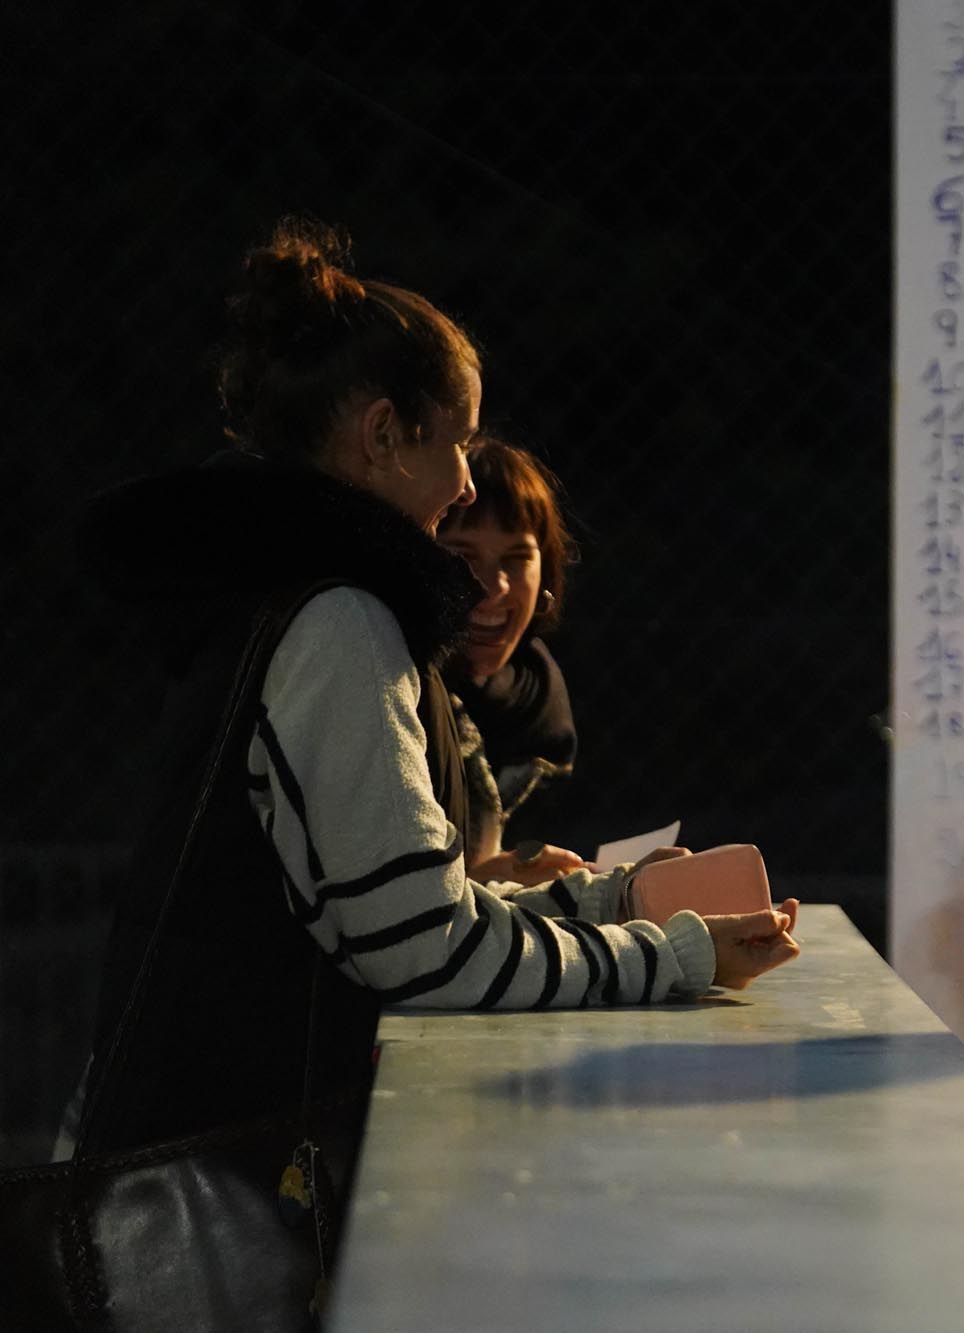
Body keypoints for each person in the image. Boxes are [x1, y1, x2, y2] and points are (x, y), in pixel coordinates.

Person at [43, 219, 800, 1326]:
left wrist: (592, 903)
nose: (461, 482)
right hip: (214, 1206)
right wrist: (665, 952)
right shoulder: (339, 618)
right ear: (380, 432)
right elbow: (420, 952)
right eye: (455, 442)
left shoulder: (287, 592)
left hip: (188, 1170)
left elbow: (383, 906)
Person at [437, 436, 588, 885]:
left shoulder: (538, 696)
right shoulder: (393, 686)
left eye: (517, 557)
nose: (495, 586)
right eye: (464, 555)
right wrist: (480, 884)